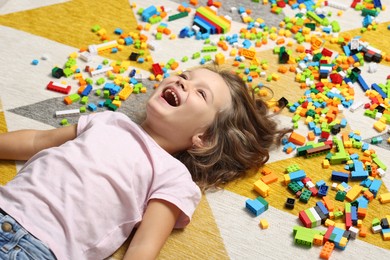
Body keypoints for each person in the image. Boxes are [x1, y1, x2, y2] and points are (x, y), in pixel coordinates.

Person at [0, 65, 290, 259]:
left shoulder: (174, 177)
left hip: (37, 248)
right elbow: (38, 141)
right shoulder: (108, 121)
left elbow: (143, 247)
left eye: (201, 93)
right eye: (185, 76)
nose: (182, 82)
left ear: (205, 137)